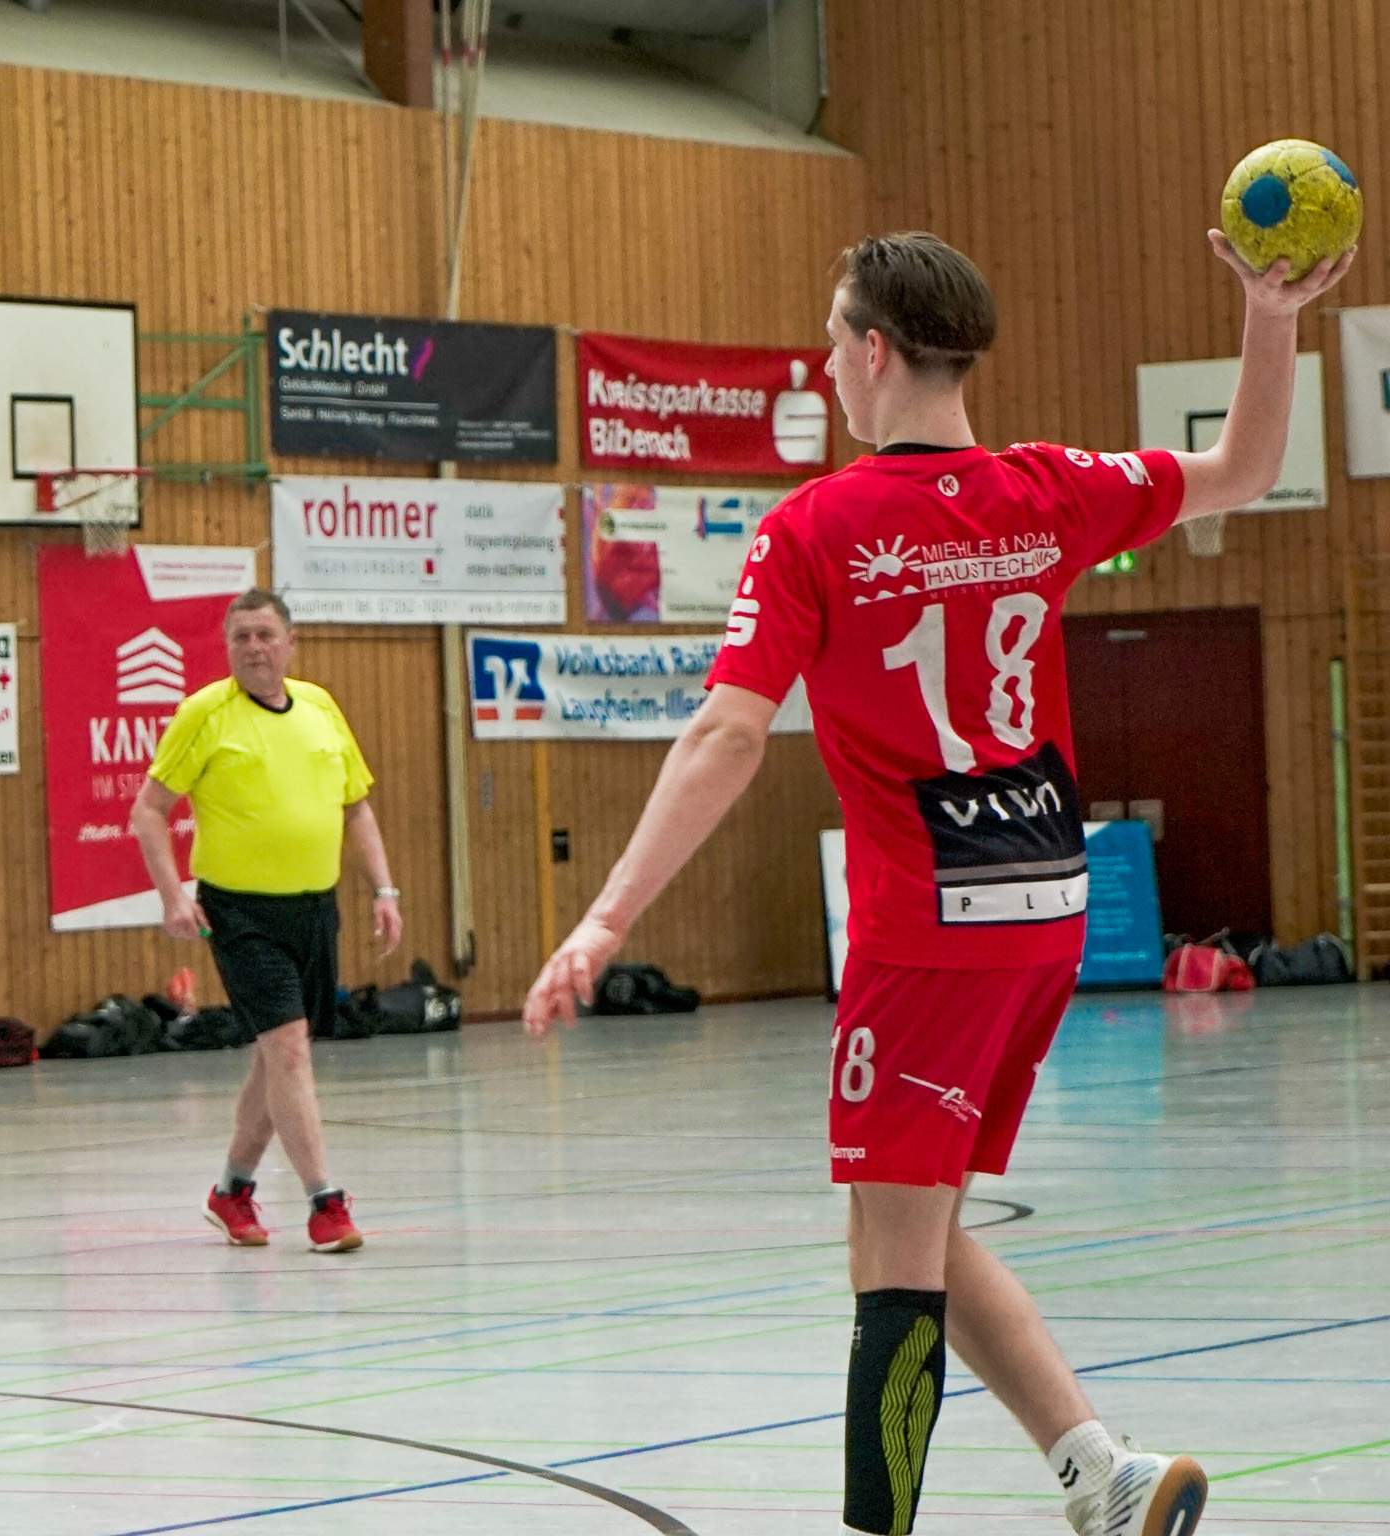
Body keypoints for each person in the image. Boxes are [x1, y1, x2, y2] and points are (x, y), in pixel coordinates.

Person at [523, 230, 1351, 1536]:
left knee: (890, 1268)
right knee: (923, 1220)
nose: (827, 369)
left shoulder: (810, 530)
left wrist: (604, 914)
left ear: (873, 350)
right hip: (1047, 909)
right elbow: (1246, 469)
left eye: (832, 339)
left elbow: (730, 734)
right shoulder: (1049, 489)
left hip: (927, 936)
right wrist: (1265, 314)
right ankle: (1098, 1473)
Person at [131, 589, 401, 1254]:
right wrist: (172, 895)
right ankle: (324, 1203)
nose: (254, 647)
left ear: (290, 642)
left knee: (275, 1056)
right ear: (228, 648)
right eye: (241, 638)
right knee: (288, 1048)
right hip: (240, 911)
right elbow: (149, 809)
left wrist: (383, 888)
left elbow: (356, 807)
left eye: (265, 635)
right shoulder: (205, 714)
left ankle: (231, 1190)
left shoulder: (319, 707)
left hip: (313, 908)